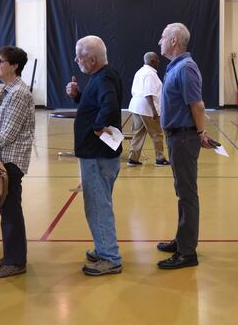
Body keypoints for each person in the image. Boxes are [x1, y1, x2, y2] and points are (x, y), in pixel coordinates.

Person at [65, 35, 124, 276]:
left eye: (79, 56)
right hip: (101, 154)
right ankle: (104, 248)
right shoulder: (103, 76)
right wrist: (79, 96)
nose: (76, 59)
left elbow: (108, 105)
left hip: (96, 155)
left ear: (91, 58)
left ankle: (110, 257)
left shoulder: (103, 79)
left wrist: (99, 127)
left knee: (98, 206)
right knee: (101, 203)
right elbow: (99, 104)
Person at [156, 23, 213, 270]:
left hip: (183, 138)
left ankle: (187, 252)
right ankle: (182, 239)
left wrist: (201, 133)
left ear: (174, 40)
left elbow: (197, 106)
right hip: (176, 136)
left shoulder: (186, 68)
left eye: (163, 36)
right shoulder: (176, 67)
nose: (159, 41)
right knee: (182, 191)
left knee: (187, 194)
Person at [0, 46, 35, 278]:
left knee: (11, 210)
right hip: (1, 157)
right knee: (6, 210)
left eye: (1, 61)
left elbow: (8, 133)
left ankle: (16, 261)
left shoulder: (19, 93)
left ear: (14, 66)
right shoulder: (6, 91)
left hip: (10, 161)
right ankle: (12, 254)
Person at [127, 52, 169, 167]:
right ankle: (160, 159)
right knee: (157, 133)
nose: (159, 61)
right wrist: (154, 110)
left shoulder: (140, 72)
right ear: (152, 61)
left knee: (138, 133)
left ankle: (133, 159)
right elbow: (148, 93)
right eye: (157, 59)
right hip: (146, 108)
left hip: (136, 107)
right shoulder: (150, 74)